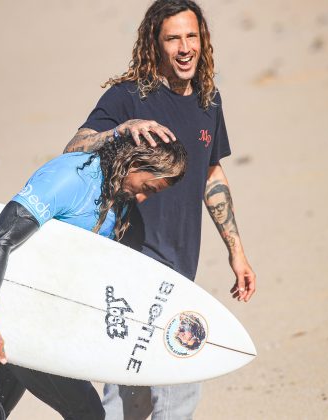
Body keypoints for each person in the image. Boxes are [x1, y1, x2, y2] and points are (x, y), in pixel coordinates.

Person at [63, 1, 257, 419]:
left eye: (192, 36)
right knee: (150, 388)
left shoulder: (209, 99)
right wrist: (119, 130)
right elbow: (72, 149)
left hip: (180, 266)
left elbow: (212, 174)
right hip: (132, 264)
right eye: (173, 38)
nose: (185, 48)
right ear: (156, 43)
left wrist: (236, 250)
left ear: (203, 40)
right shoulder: (128, 97)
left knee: (148, 391)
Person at [0, 135, 188, 420]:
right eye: (147, 188)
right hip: (16, 319)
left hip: (41, 318)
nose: (142, 197)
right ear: (135, 162)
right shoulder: (71, 179)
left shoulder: (117, 196)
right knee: (88, 414)